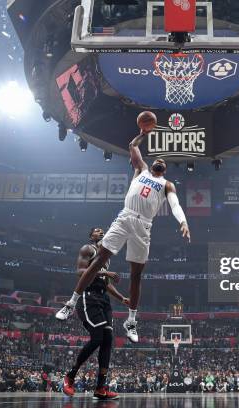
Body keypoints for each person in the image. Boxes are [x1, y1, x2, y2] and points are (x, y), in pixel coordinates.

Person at [56, 118, 190, 343]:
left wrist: (183, 221)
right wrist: (142, 133)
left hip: (144, 225)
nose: (159, 160)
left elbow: (175, 205)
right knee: (98, 260)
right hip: (125, 217)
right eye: (157, 158)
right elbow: (132, 146)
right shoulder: (142, 169)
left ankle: (131, 321)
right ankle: (71, 303)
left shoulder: (167, 185)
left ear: (165, 169)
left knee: (136, 275)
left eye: (162, 161)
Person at [62, 228, 129, 400]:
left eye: (103, 231)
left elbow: (105, 284)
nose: (101, 232)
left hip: (103, 298)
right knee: (98, 338)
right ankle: (70, 376)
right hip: (89, 295)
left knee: (107, 340)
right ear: (91, 235)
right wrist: (105, 272)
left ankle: (100, 388)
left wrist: (122, 298)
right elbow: (80, 272)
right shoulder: (88, 249)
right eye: (97, 231)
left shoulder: (105, 258)